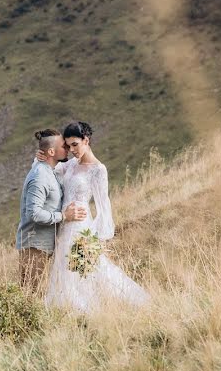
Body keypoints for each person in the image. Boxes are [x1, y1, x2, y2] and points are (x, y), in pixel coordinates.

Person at [39, 122, 150, 312]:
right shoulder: (70, 165)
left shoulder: (98, 169)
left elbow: (103, 206)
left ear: (86, 140)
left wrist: (97, 237)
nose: (71, 150)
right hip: (65, 225)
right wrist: (40, 159)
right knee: (65, 269)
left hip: (82, 226)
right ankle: (68, 309)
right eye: (68, 145)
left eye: (75, 144)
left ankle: (91, 309)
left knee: (88, 268)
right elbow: (50, 173)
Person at [16, 129, 87, 295]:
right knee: (31, 294)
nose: (68, 149)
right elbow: (33, 213)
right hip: (34, 245)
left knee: (40, 293)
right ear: (51, 152)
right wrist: (63, 216)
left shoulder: (51, 171)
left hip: (45, 245)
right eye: (64, 146)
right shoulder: (40, 176)